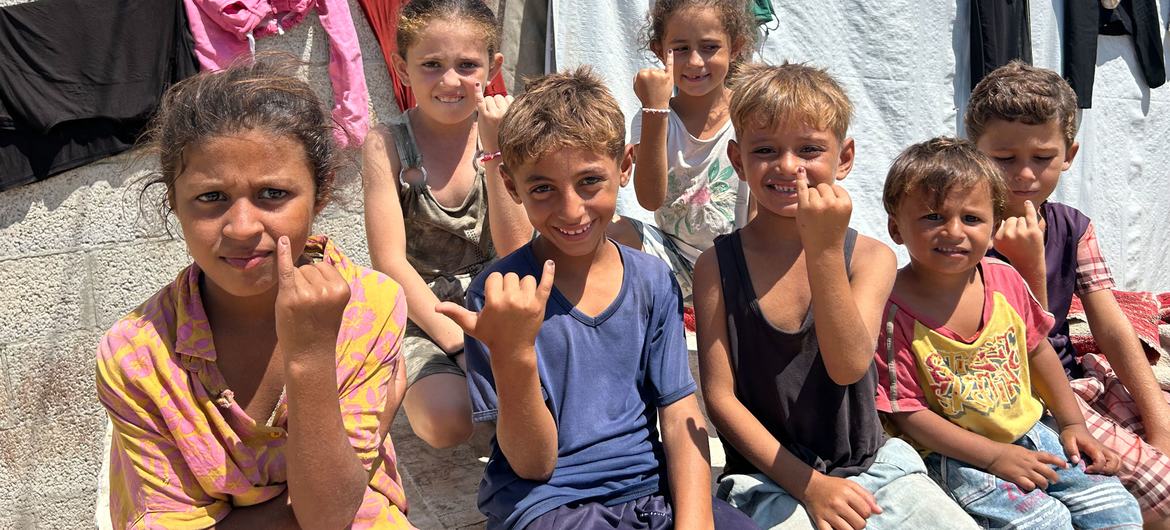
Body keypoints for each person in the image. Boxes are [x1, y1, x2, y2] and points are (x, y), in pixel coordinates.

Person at [435, 67, 759, 530]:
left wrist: (694, 521)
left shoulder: (651, 280)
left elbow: (680, 410)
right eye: (542, 188)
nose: (571, 210)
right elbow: (533, 465)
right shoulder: (500, 296)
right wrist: (513, 354)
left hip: (651, 493)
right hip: (548, 505)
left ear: (625, 167)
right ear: (511, 185)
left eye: (590, 181)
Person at [95, 58, 412, 529]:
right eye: (211, 198)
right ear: (174, 203)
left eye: (273, 194)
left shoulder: (369, 308)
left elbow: (329, 514)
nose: (243, 228)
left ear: (320, 195)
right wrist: (299, 507)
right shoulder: (138, 354)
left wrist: (308, 357)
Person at [696, 62, 974, 530]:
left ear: (843, 157)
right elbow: (720, 399)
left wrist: (824, 250)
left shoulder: (870, 258)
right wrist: (810, 485)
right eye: (765, 150)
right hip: (768, 477)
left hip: (873, 468)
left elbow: (847, 365)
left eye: (809, 149)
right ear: (738, 161)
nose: (788, 165)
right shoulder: (716, 266)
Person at [877, 136, 1142, 529]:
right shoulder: (890, 308)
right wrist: (993, 456)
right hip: (957, 455)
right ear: (896, 228)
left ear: (993, 226)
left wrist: (1073, 425)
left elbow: (1038, 352)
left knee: (1116, 510)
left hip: (1033, 431)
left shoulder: (1004, 280)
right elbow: (908, 412)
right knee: (1043, 523)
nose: (953, 231)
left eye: (971, 218)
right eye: (933, 217)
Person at [967, 61, 1170, 527]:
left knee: (1155, 438)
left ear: (1069, 154)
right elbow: (1017, 351)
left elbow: (1110, 324)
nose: (1023, 174)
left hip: (1074, 378)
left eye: (1041, 158)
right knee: (1160, 488)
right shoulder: (961, 236)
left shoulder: (1072, 226)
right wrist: (1029, 266)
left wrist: (1159, 423)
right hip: (1024, 397)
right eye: (1003, 158)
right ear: (973, 152)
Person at [362, 0, 532, 449]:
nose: (451, 81)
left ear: (492, 67)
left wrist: (495, 152)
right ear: (402, 68)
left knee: (556, 400)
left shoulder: (505, 130)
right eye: (432, 65)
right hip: (426, 316)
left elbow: (518, 246)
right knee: (446, 422)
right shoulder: (386, 145)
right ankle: (405, 372)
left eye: (467, 65)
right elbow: (390, 262)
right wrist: (461, 346)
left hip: (500, 302)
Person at [627, 0, 757, 302]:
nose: (696, 62)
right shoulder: (651, 117)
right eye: (681, 49)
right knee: (611, 231)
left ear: (735, 47)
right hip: (672, 258)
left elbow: (759, 207)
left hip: (738, 259)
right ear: (660, 51)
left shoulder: (750, 114)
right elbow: (649, 199)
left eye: (710, 47)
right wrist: (655, 109)